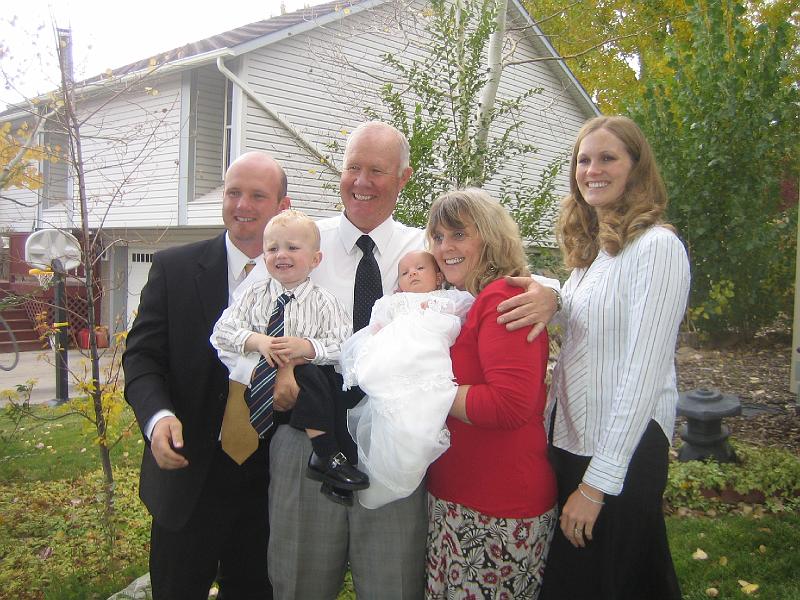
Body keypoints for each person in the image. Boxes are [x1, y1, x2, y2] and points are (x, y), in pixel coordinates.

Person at [222, 121, 560, 599]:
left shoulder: (426, 250)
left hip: (392, 441)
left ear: (403, 178)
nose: (361, 181)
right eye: (352, 167)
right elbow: (237, 325)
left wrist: (551, 293)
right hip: (308, 439)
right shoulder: (294, 241)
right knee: (298, 584)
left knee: (392, 586)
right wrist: (267, 373)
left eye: (376, 170)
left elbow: (497, 277)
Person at [122, 151, 289, 600]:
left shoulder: (307, 278)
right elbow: (142, 359)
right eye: (234, 192)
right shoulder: (175, 269)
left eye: (258, 195)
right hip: (188, 471)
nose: (243, 205)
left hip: (268, 481)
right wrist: (156, 417)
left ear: (282, 206)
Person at [540, 115, 690, 600]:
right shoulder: (595, 253)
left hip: (624, 447)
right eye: (584, 159)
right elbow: (583, 325)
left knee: (615, 582)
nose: (592, 169)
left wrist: (596, 486)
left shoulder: (657, 247)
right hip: (574, 438)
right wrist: (552, 299)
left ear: (636, 168)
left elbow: (642, 376)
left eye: (608, 158)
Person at [424, 188, 557, 600]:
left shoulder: (503, 297)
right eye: (438, 236)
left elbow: (508, 404)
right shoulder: (469, 301)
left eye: (458, 234)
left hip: (497, 506)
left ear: (490, 237)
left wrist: (425, 392)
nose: (445, 247)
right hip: (459, 497)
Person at [211, 209, 369, 504]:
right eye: (272, 248)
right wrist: (257, 341)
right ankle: (331, 471)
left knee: (314, 375)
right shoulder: (253, 295)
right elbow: (221, 332)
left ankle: (326, 455)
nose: (281, 254)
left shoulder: (325, 302)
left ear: (315, 259)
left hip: (307, 398)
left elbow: (346, 346)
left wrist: (306, 348)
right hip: (251, 398)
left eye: (293, 248)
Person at [341, 250, 475, 509]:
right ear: (399, 283)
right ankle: (391, 466)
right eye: (405, 272)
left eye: (420, 268)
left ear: (438, 277)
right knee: (391, 424)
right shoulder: (392, 303)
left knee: (417, 426)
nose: (412, 273)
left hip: (428, 363)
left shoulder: (450, 298)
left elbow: (473, 310)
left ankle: (409, 460)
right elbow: (375, 329)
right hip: (397, 365)